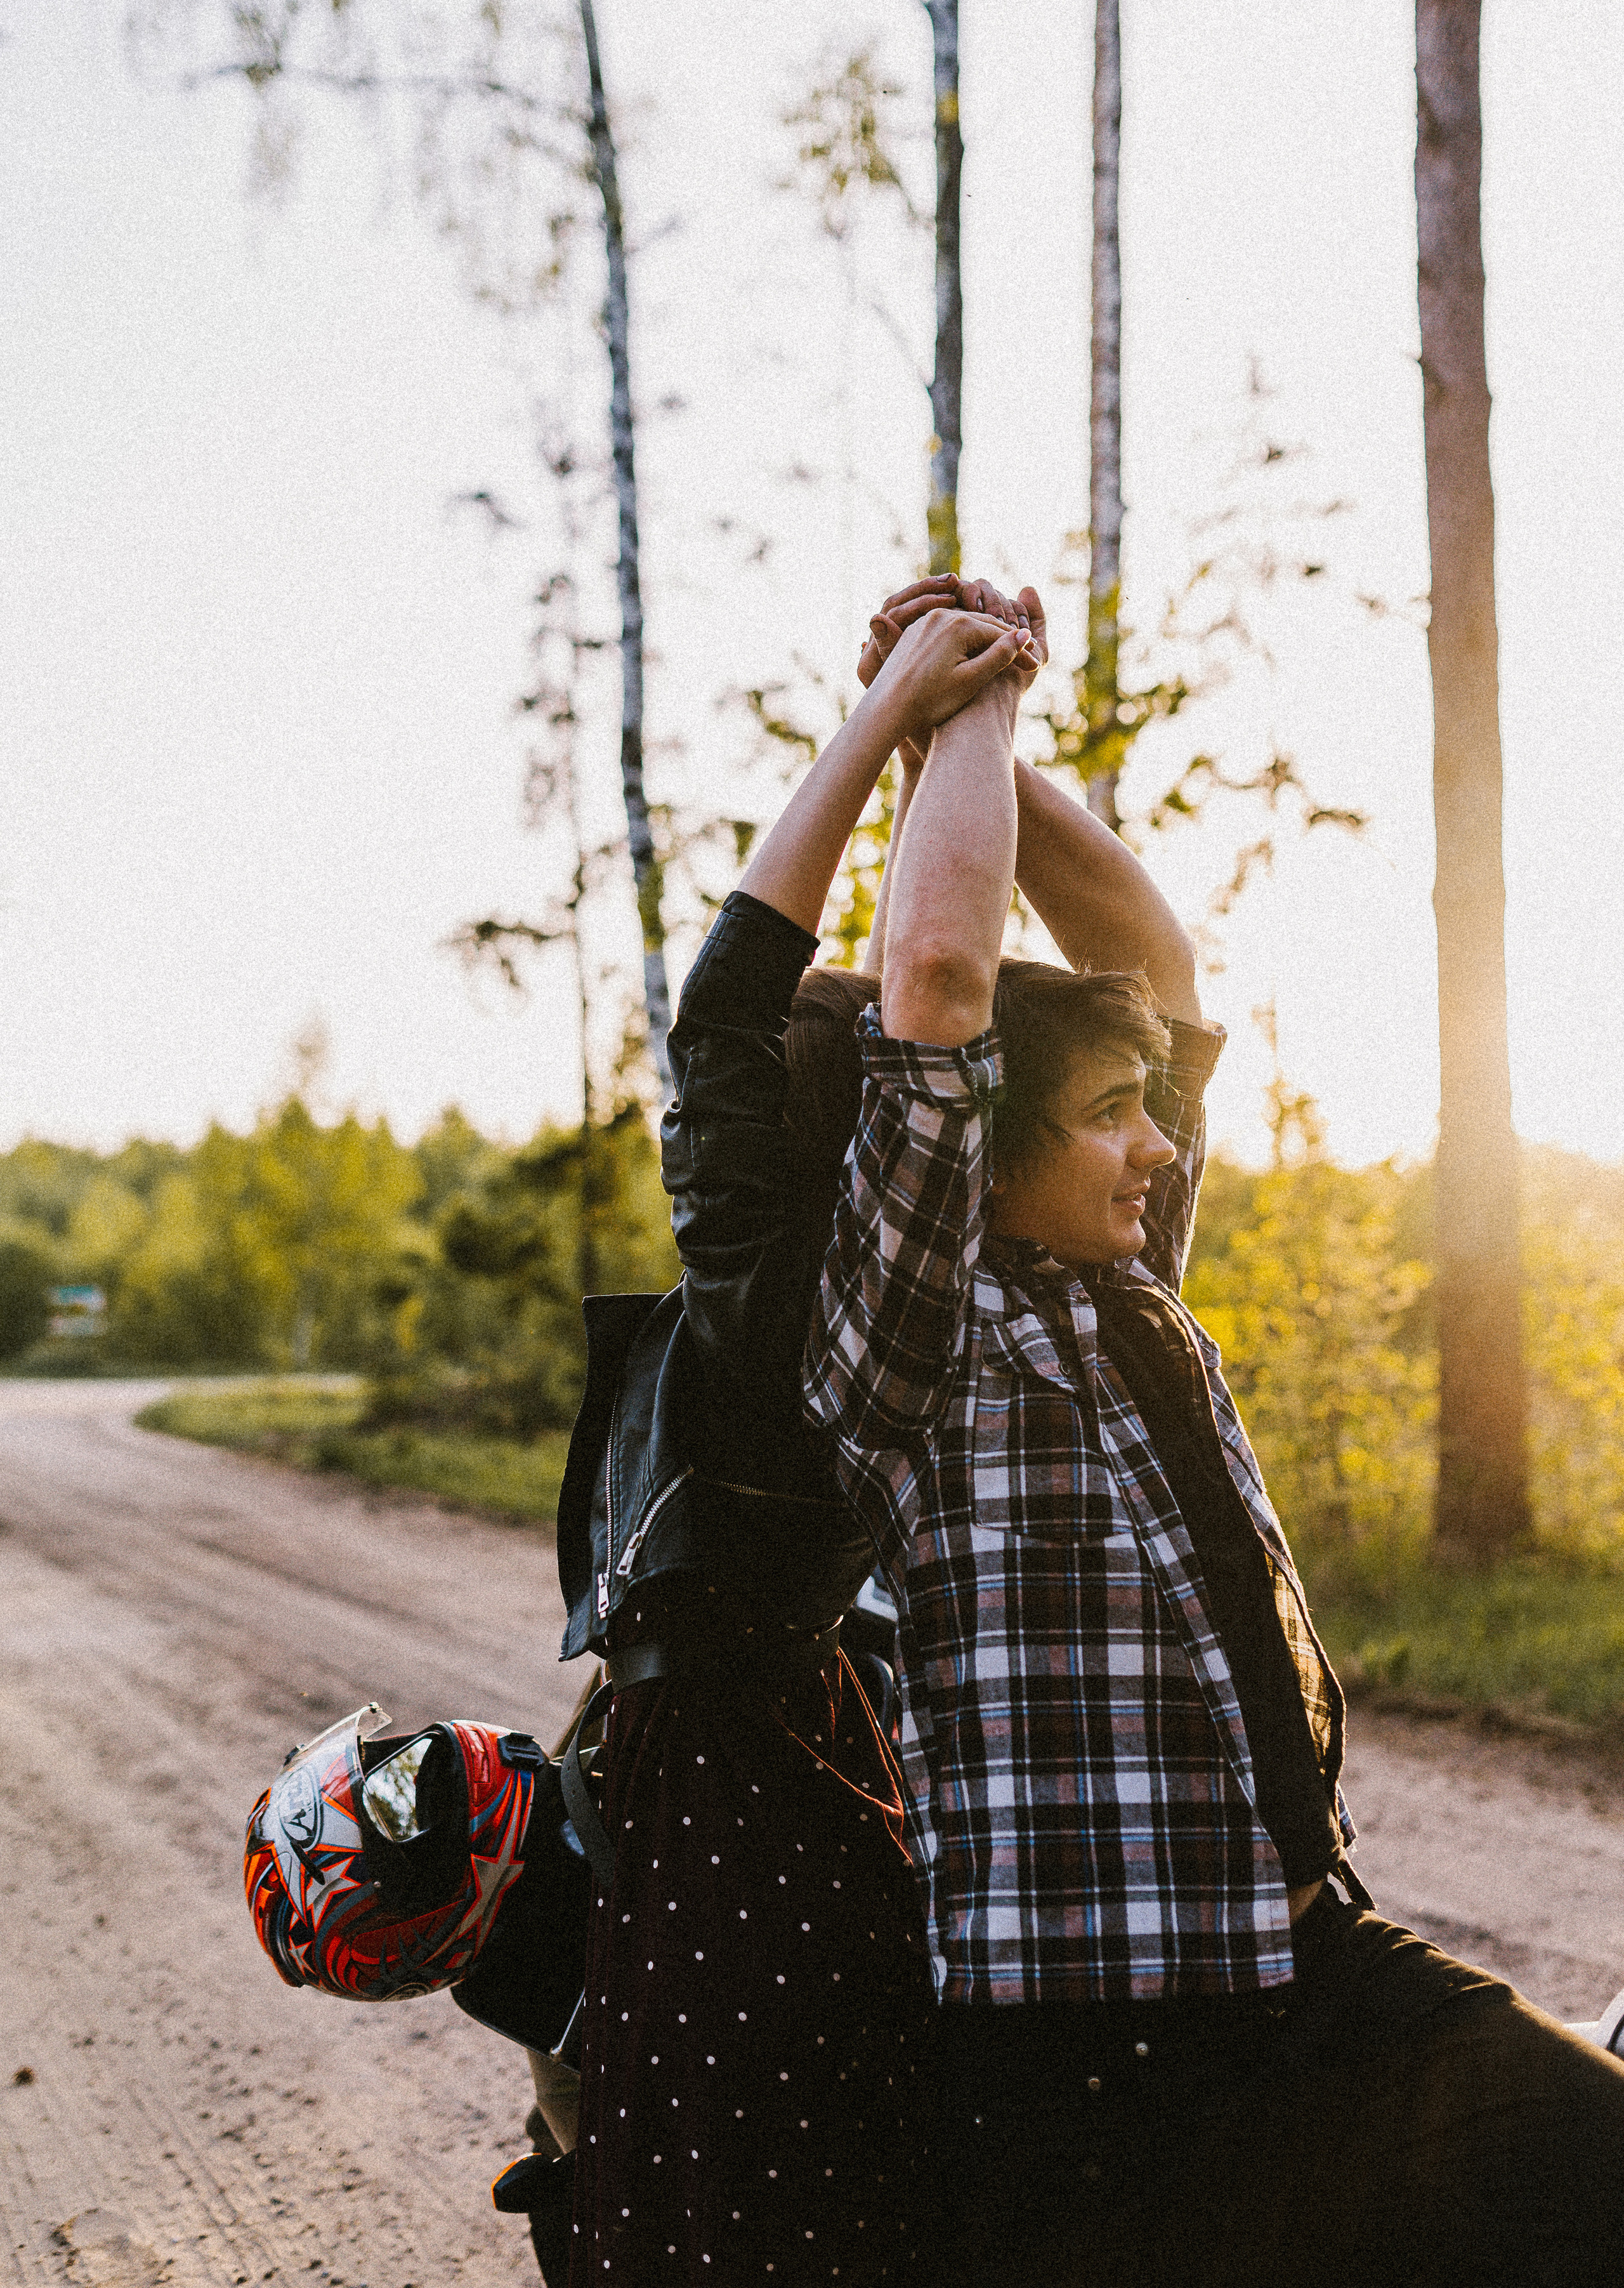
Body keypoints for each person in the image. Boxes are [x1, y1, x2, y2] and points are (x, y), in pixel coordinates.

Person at [804, 575, 1624, 2287]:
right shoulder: (919, 1336)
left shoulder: (1125, 1294)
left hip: (1299, 1962)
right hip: (1081, 2065)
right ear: (985, 1154)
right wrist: (951, 708)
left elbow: (1148, 955)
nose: (1160, 1147)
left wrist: (974, 701)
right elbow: (945, 971)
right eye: (1110, 1117)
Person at [559, 591, 1033, 2285]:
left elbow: (798, 995)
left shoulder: (805, 1315)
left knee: (746, 2208)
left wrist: (923, 713)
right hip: (747, 1803)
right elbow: (746, 1014)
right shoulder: (801, 1285)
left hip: (741, 1831)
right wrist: (932, 725)